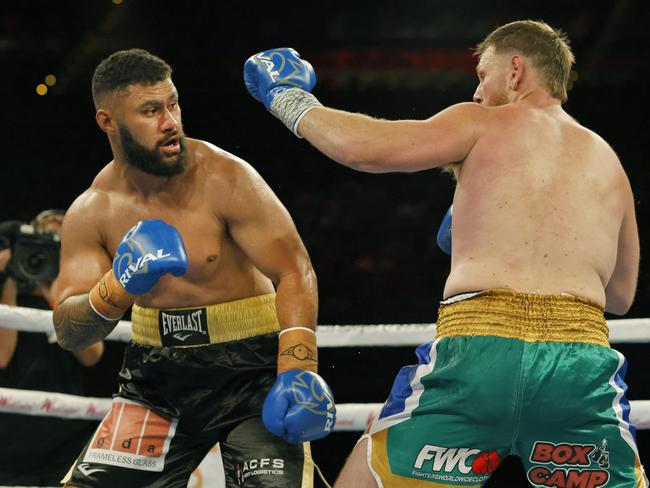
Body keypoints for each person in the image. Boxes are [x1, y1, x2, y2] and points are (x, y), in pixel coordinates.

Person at [244, 20, 645, 488]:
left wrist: (288, 98)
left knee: (361, 478)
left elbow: (364, 149)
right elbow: (620, 296)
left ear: (516, 70)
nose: (477, 93)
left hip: (478, 356)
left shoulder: (483, 122)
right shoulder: (609, 162)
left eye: (483, 75)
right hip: (580, 366)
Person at [52, 48, 335, 488]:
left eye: (173, 104)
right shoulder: (92, 212)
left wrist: (299, 368)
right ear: (108, 122)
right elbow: (70, 333)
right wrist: (117, 287)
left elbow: (295, 270)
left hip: (252, 371)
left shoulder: (226, 177)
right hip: (156, 381)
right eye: (151, 110)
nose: (171, 122)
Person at [0, 209, 104, 486]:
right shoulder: (7, 298)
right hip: (10, 435)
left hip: (65, 438)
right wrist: (10, 278)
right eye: (42, 240)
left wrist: (56, 295)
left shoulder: (77, 298)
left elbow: (92, 356)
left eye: (58, 242)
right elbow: (1, 357)